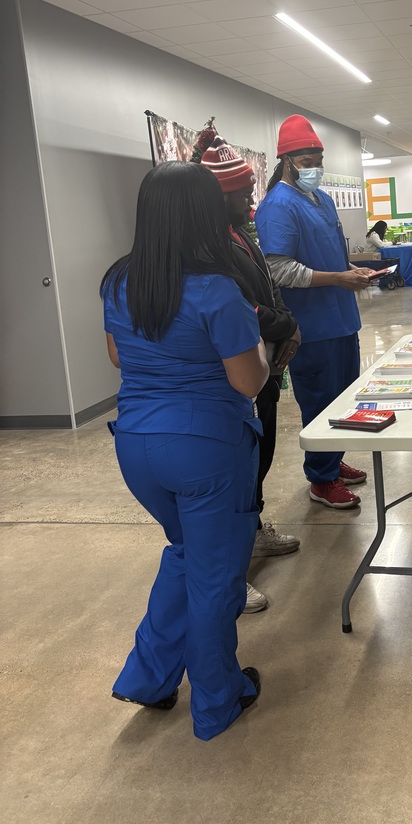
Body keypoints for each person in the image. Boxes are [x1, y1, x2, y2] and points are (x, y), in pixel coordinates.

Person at [101, 161, 269, 741]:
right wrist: (262, 346)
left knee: (186, 554)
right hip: (206, 450)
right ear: (204, 214)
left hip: (137, 447)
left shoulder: (120, 282)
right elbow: (248, 382)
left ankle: (148, 679)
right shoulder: (216, 290)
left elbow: (119, 358)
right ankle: (218, 702)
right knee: (217, 577)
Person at [196, 131, 302, 614]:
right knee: (237, 474)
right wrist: (283, 325)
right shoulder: (207, 247)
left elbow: (269, 293)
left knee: (260, 460)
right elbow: (244, 309)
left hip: (267, 365)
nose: (248, 198)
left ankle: (255, 532)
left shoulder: (242, 233)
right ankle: (230, 576)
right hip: (240, 370)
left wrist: (288, 326)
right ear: (216, 198)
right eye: (240, 192)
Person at [254, 114, 373, 510]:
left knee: (343, 398)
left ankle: (334, 462)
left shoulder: (320, 199)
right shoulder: (277, 207)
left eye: (319, 160)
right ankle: (321, 479)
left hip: (341, 320)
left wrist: (351, 269)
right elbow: (279, 268)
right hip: (312, 327)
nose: (315, 169)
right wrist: (338, 279)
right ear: (287, 162)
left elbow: (329, 254)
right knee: (320, 401)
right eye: (307, 161)